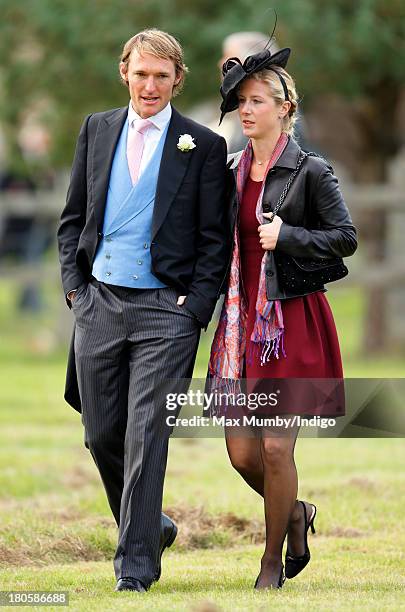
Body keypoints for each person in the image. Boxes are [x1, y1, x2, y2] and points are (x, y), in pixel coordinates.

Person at [57, 29, 228, 593]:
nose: (149, 85)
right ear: (124, 72)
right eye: (140, 73)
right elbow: (73, 217)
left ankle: (135, 569)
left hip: (167, 312)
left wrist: (194, 309)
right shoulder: (97, 129)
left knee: (147, 436)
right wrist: (76, 293)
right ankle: (150, 525)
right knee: (100, 433)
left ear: (178, 79)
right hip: (99, 302)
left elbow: (214, 240)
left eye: (161, 75)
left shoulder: (201, 145)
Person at [208, 46, 357, 589]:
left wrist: (287, 236)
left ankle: (271, 565)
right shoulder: (230, 171)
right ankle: (295, 514)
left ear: (285, 107)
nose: (246, 110)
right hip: (239, 326)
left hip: (290, 324)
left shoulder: (312, 169)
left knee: (275, 446)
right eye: (241, 102)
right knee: (242, 453)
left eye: (257, 101)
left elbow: (345, 239)